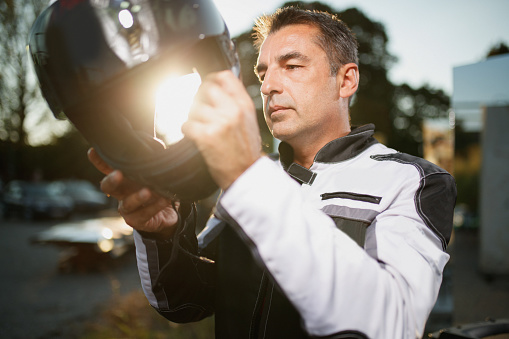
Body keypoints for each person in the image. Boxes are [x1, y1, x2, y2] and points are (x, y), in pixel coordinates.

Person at [89, 6, 456, 339]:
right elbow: (184, 301)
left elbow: (396, 326)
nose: (267, 86)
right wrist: (162, 234)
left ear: (346, 81)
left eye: (292, 66)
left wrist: (246, 176)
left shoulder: (415, 181)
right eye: (262, 72)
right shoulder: (253, 177)